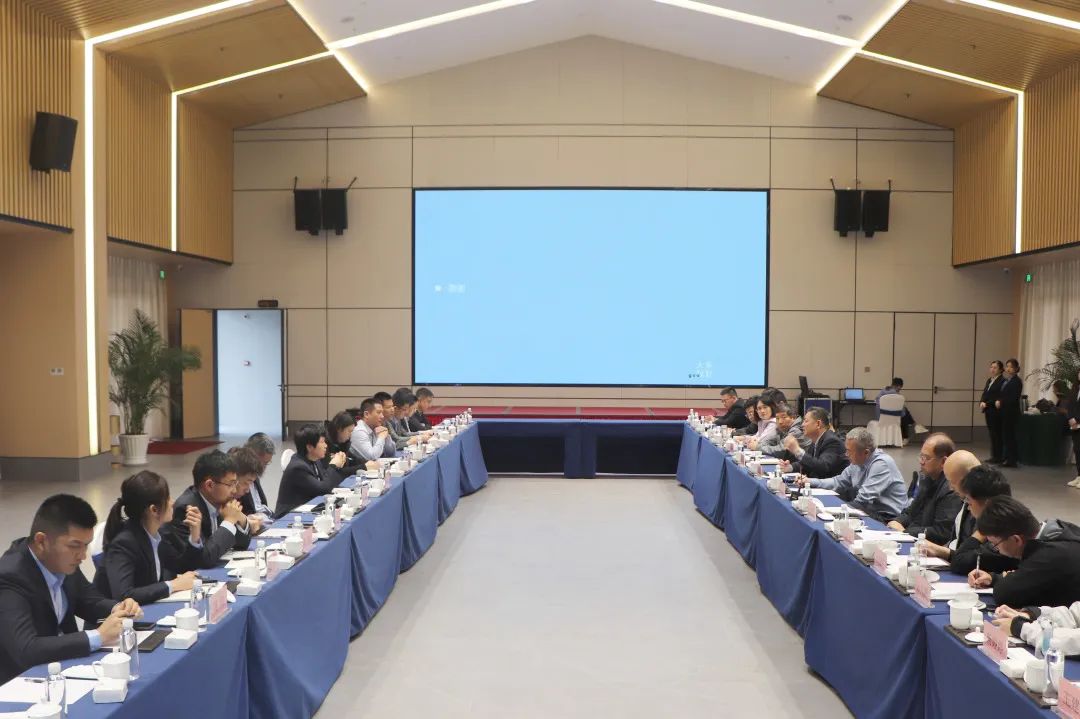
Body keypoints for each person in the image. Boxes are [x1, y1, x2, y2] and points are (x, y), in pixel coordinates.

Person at [0, 495, 142, 684]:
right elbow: (26, 649)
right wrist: (98, 636)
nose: (83, 556)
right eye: (75, 546)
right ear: (41, 541)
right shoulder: (9, 577)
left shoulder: (59, 560)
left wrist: (118, 608)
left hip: (64, 668)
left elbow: (89, 601)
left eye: (86, 546)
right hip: (22, 683)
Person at [94, 471, 202, 605]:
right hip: (116, 615)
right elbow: (124, 595)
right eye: (168, 498)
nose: (172, 502)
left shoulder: (159, 533)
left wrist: (195, 535)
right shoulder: (123, 543)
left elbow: (181, 565)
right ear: (154, 510)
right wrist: (173, 585)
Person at [967, 496, 1080, 608]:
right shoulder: (1061, 530)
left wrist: (1004, 579)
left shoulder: (1048, 556)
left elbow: (1004, 594)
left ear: (1016, 540)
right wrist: (994, 578)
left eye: (995, 544)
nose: (997, 550)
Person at [921, 453, 1016, 574]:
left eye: (969, 500)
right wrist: (941, 551)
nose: (967, 504)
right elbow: (966, 556)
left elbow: (962, 562)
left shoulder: (1001, 533)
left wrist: (980, 532)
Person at [797, 427, 908, 522]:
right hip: (870, 510)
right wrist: (810, 481)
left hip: (888, 517)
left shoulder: (881, 464)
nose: (846, 454)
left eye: (849, 451)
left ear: (866, 452)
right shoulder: (858, 461)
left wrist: (832, 510)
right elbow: (838, 481)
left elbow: (862, 501)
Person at [167, 450, 252, 568]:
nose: (234, 490)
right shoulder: (187, 509)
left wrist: (241, 518)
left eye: (235, 484)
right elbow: (205, 558)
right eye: (231, 484)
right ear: (210, 485)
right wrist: (229, 521)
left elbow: (242, 545)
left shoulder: (218, 502)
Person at [886, 434, 962, 542]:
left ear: (943, 462)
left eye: (926, 458)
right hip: (915, 536)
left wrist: (905, 532)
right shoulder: (926, 478)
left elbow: (942, 532)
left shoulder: (951, 489)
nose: (921, 462)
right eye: (921, 456)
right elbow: (911, 512)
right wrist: (898, 521)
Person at [275, 423, 348, 517]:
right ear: (309, 447)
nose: (326, 446)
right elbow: (323, 489)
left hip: (308, 508)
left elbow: (326, 481)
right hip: (289, 515)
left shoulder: (314, 459)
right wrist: (333, 465)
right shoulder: (298, 467)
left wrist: (338, 466)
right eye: (322, 442)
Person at [779, 408, 848, 479]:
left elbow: (823, 467)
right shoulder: (816, 440)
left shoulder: (832, 441)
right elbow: (808, 464)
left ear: (818, 424)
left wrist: (797, 450)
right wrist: (790, 467)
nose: (802, 425)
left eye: (806, 421)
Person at [228, 447, 268, 532]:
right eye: (246, 483)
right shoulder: (221, 499)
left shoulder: (234, 498)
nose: (247, 491)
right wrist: (247, 524)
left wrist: (247, 522)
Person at [325, 411, 374, 475]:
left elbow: (354, 460)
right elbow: (335, 472)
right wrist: (364, 467)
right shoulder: (325, 445)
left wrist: (369, 463)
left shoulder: (344, 444)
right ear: (339, 429)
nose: (350, 435)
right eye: (349, 431)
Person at [242, 433, 275, 521]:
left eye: (266, 463)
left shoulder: (255, 473)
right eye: (262, 463)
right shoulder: (237, 476)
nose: (263, 468)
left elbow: (260, 506)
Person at [997, 358, 1023, 467]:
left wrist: (1001, 402)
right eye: (1007, 366)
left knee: (1010, 436)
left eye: (1011, 367)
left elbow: (1013, 398)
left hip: (1011, 413)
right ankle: (1006, 458)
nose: (1008, 369)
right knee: (1006, 436)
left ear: (1016, 368)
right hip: (1005, 412)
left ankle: (1012, 460)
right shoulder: (1007, 380)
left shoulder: (1017, 381)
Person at [980, 361, 1005, 464]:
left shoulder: (1002, 381)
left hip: (996, 411)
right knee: (992, 434)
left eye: (995, 368)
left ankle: (998, 456)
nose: (992, 369)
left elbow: (998, 396)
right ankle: (993, 455)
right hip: (988, 410)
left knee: (997, 434)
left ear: (1000, 369)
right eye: (991, 367)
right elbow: (985, 393)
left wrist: (987, 403)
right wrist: (982, 401)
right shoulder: (990, 380)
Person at [1066, 370, 1080, 488]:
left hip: (1078, 421)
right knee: (1077, 450)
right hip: (1074, 424)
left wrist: (1077, 419)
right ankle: (1079, 476)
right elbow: (1070, 405)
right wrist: (1070, 418)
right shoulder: (1075, 388)